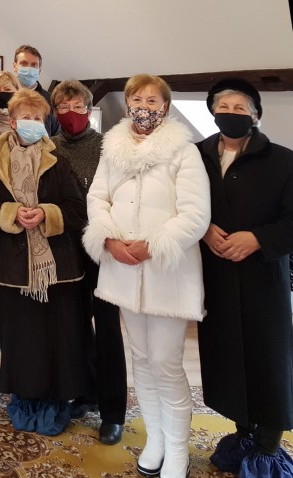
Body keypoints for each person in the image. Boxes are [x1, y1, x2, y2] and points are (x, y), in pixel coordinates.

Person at [83, 74, 210, 478]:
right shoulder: (112, 148)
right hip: (122, 270)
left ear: (165, 107)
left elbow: (196, 214)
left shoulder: (183, 151)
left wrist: (152, 245)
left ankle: (178, 451)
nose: (143, 106)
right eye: (136, 99)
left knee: (166, 363)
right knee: (140, 359)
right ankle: (155, 440)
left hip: (166, 273)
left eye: (152, 100)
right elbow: (97, 198)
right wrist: (109, 239)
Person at [0, 88, 89, 437]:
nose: (32, 123)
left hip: (58, 268)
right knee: (21, 337)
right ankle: (24, 398)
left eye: (38, 118)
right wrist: (10, 213)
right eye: (26, 117)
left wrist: (46, 213)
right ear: (12, 121)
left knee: (57, 337)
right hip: (14, 266)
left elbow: (78, 209)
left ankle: (56, 400)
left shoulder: (59, 162)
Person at [197, 78, 293, 477]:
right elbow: (180, 206)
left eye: (240, 108)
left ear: (255, 115)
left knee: (268, 359)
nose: (231, 113)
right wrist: (203, 229)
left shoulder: (283, 160)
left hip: (263, 278)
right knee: (228, 359)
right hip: (215, 276)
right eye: (224, 107)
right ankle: (242, 432)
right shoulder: (196, 156)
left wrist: (257, 239)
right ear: (212, 111)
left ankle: (268, 445)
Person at [50, 80, 127, 445]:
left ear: (89, 108)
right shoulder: (50, 147)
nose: (72, 113)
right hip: (66, 248)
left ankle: (113, 413)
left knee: (108, 328)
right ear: (55, 112)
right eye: (64, 107)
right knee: (76, 326)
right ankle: (85, 392)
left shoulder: (108, 146)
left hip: (103, 248)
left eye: (78, 106)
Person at [12, 45, 60, 137]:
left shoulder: (50, 99)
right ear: (15, 66)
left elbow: (56, 134)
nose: (29, 68)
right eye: (24, 63)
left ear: (39, 70)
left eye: (34, 65)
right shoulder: (4, 96)